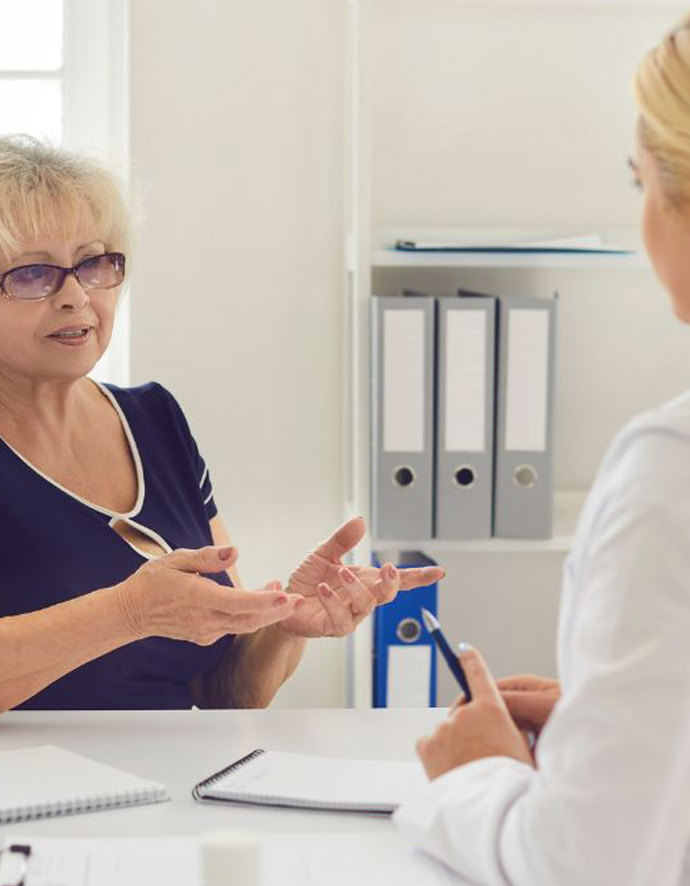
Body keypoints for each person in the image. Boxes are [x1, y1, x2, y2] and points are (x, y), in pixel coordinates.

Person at [394, 15, 690, 886]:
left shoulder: (671, 471)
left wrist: (478, 773)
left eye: (641, 182)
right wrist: (631, 729)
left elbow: (584, 866)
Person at [0, 135, 444, 713]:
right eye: (34, 274)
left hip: (174, 790)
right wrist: (127, 614)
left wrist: (286, 621)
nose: (76, 296)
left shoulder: (154, 420)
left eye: (95, 263)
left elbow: (222, 693)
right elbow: (133, 618)